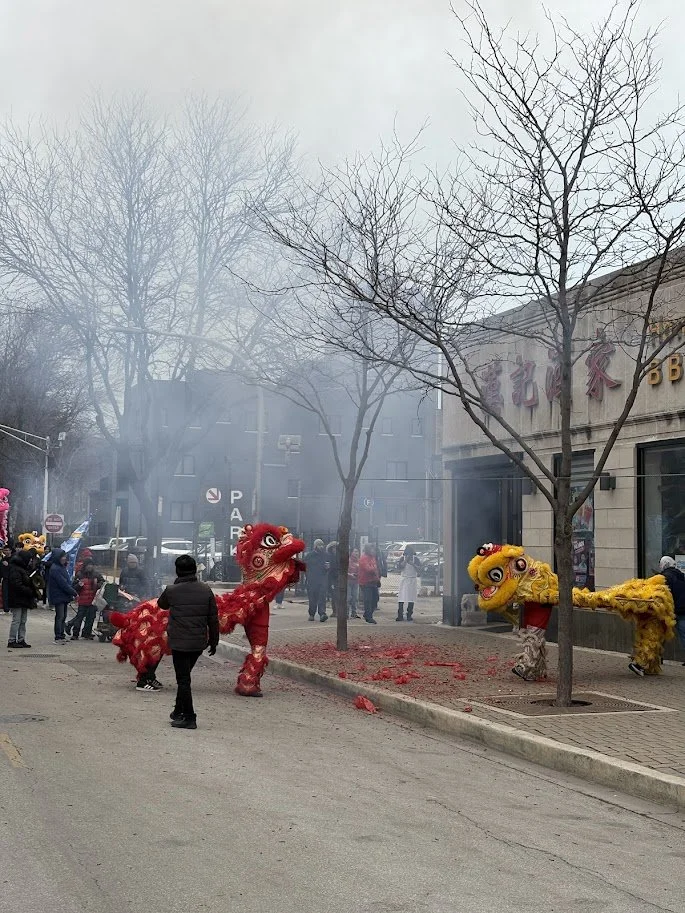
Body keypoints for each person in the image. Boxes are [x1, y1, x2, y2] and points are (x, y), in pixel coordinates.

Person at [157, 554, 219, 730]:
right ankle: (178, 711)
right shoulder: (206, 589)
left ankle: (190, 717)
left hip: (179, 643)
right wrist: (214, 641)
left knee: (183, 680)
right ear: (195, 570)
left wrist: (175, 586)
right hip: (198, 643)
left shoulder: (171, 590)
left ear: (177, 571)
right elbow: (213, 619)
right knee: (185, 677)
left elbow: (162, 605)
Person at [68, 560, 105, 640]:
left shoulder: (96, 574)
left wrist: (97, 584)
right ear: (85, 566)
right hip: (82, 600)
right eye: (88, 565)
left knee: (90, 618)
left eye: (91, 565)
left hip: (93, 600)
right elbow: (73, 586)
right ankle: (75, 634)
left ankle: (86, 633)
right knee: (79, 618)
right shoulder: (79, 574)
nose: (90, 566)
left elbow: (103, 583)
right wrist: (79, 585)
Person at [659, 556, 685, 667]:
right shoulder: (682, 576)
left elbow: (663, 596)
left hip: (670, 611)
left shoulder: (665, 577)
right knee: (684, 635)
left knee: (660, 635)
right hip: (683, 610)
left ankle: (656, 657)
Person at [48, 548, 79, 644]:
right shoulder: (55, 569)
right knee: (60, 616)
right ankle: (58, 637)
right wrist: (74, 593)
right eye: (63, 556)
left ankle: (61, 635)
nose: (64, 558)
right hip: (58, 596)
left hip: (63, 596)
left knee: (63, 616)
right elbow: (63, 584)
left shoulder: (61, 567)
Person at [7, 549, 36, 647]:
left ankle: (21, 639)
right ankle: (11, 640)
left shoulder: (22, 568)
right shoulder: (15, 569)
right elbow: (16, 584)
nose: (31, 561)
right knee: (17, 620)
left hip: (23, 598)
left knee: (23, 620)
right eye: (29, 559)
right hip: (17, 598)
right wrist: (29, 590)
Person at [304, 539, 329, 622]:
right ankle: (312, 614)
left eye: (322, 545)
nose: (321, 546)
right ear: (315, 546)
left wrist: (327, 568)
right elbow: (304, 567)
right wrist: (307, 576)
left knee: (322, 597)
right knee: (312, 598)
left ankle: (322, 613)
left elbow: (328, 566)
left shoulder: (325, 555)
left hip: (322, 579)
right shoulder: (309, 556)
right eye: (319, 545)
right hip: (312, 580)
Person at [396, 545, 422, 622]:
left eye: (410, 554)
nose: (409, 556)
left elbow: (419, 569)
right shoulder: (402, 559)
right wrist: (406, 560)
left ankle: (409, 614)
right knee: (401, 598)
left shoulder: (416, 559)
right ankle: (400, 615)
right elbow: (400, 567)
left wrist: (413, 564)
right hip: (404, 579)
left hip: (412, 580)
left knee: (411, 598)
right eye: (407, 554)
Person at [358, 543, 381, 624]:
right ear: (368, 549)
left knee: (375, 599)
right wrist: (374, 568)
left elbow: (376, 570)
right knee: (368, 600)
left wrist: (378, 579)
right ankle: (369, 617)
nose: (373, 551)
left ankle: (367, 614)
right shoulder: (363, 558)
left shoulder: (373, 558)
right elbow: (368, 569)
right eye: (372, 549)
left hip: (373, 581)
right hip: (365, 582)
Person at [326, 541, 339, 616]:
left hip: (339, 577)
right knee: (334, 595)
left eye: (336, 548)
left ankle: (338, 610)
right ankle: (335, 611)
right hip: (332, 578)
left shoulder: (339, 556)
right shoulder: (329, 556)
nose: (335, 549)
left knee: (338, 595)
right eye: (333, 548)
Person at [347, 547, 360, 618]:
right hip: (349, 581)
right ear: (351, 552)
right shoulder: (348, 561)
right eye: (355, 551)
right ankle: (346, 613)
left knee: (355, 597)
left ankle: (354, 613)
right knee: (348, 598)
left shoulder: (358, 561)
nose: (356, 553)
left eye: (357, 551)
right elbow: (344, 570)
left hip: (356, 581)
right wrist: (350, 574)